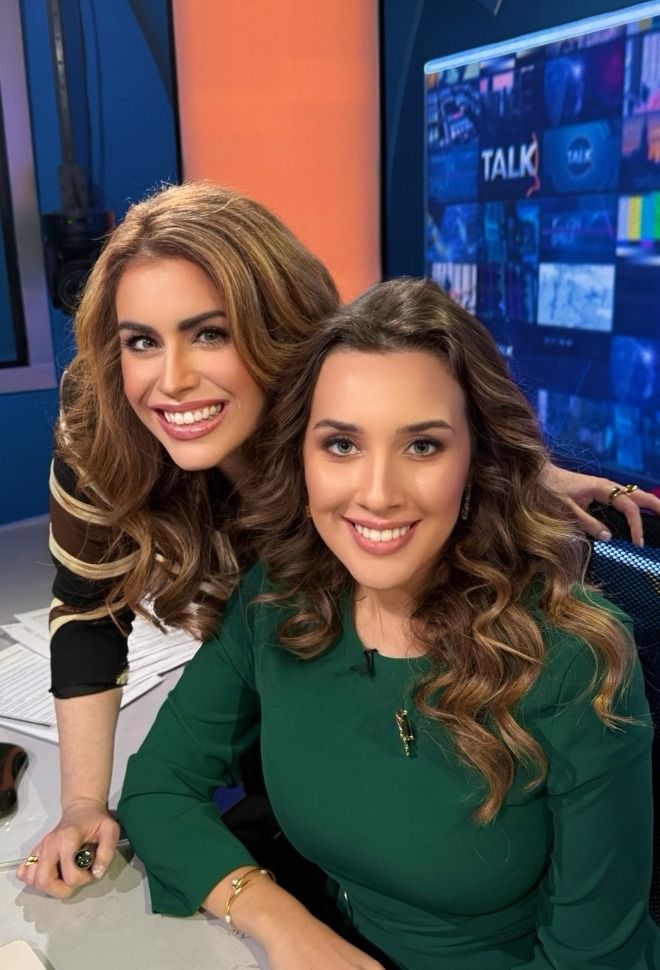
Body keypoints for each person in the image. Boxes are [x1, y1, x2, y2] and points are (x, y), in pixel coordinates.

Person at [18, 181, 660, 899]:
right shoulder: (106, 433)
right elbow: (90, 610)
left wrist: (516, 467)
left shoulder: (326, 399)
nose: (172, 381)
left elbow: (413, 397)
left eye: (210, 333)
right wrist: (82, 804)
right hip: (285, 682)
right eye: (142, 341)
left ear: (276, 332)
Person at [118, 277, 659, 970]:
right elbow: (157, 788)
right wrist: (286, 927)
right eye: (342, 445)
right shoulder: (280, 594)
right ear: (302, 458)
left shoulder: (576, 659)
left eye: (422, 446)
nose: (377, 494)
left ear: (477, 462)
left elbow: (596, 962)